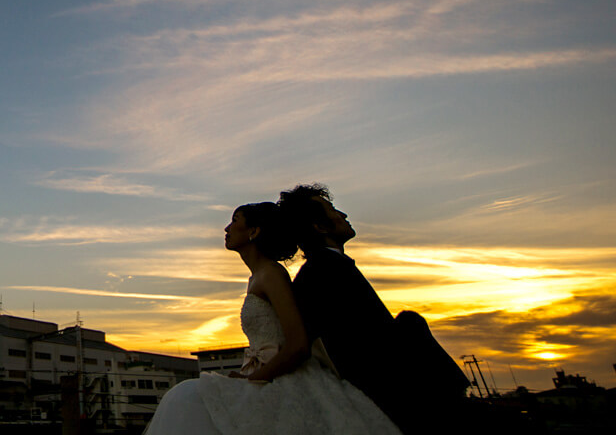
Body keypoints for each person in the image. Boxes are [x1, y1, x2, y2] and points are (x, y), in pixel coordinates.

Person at [143, 202, 403, 435]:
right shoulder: (257, 277)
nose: (226, 228)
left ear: (254, 231)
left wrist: (252, 380)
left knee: (186, 398)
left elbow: (298, 344)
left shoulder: (272, 274)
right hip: (267, 374)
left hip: (288, 379)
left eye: (235, 220)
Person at [277, 184, 469, 434]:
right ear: (319, 226)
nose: (343, 215)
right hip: (399, 398)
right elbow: (359, 346)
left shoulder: (329, 267)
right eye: (333, 209)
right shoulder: (324, 272)